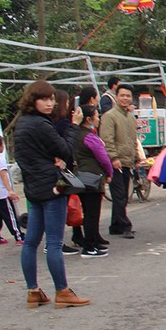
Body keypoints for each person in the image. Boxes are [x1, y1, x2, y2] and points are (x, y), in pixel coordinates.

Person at [12, 80, 91, 308]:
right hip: (52, 187)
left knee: (30, 243)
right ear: (33, 100)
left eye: (51, 99)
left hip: (34, 188)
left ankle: (33, 291)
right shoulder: (41, 125)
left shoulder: (23, 124)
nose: (49, 103)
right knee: (54, 242)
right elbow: (66, 150)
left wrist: (49, 161)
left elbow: (24, 158)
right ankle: (62, 291)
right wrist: (74, 126)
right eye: (44, 99)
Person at [70, 106, 114, 256]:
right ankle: (89, 246)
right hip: (92, 178)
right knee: (92, 213)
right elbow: (103, 158)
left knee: (89, 212)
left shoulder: (74, 135)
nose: (99, 119)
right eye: (97, 116)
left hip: (80, 177)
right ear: (88, 119)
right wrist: (109, 172)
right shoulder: (89, 137)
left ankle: (93, 242)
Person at [100, 83, 138, 240]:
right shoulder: (109, 116)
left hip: (127, 161)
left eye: (128, 96)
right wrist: (113, 157)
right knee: (120, 195)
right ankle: (124, 225)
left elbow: (133, 139)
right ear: (116, 97)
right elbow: (107, 139)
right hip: (116, 162)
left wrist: (135, 157)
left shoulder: (129, 117)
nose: (125, 98)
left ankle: (115, 225)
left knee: (122, 194)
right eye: (122, 95)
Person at [0, 133, 22, 247]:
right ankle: (18, 235)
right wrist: (9, 190)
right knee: (10, 216)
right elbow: (3, 175)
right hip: (2, 193)